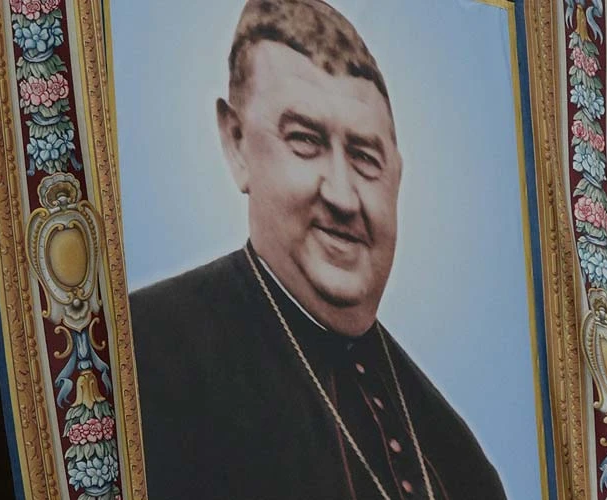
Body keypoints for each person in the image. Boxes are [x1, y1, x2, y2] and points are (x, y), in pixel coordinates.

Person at [129, 1, 507, 498]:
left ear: (397, 175)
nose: (343, 197)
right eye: (305, 141)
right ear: (237, 143)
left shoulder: (457, 456)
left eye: (365, 157)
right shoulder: (141, 354)